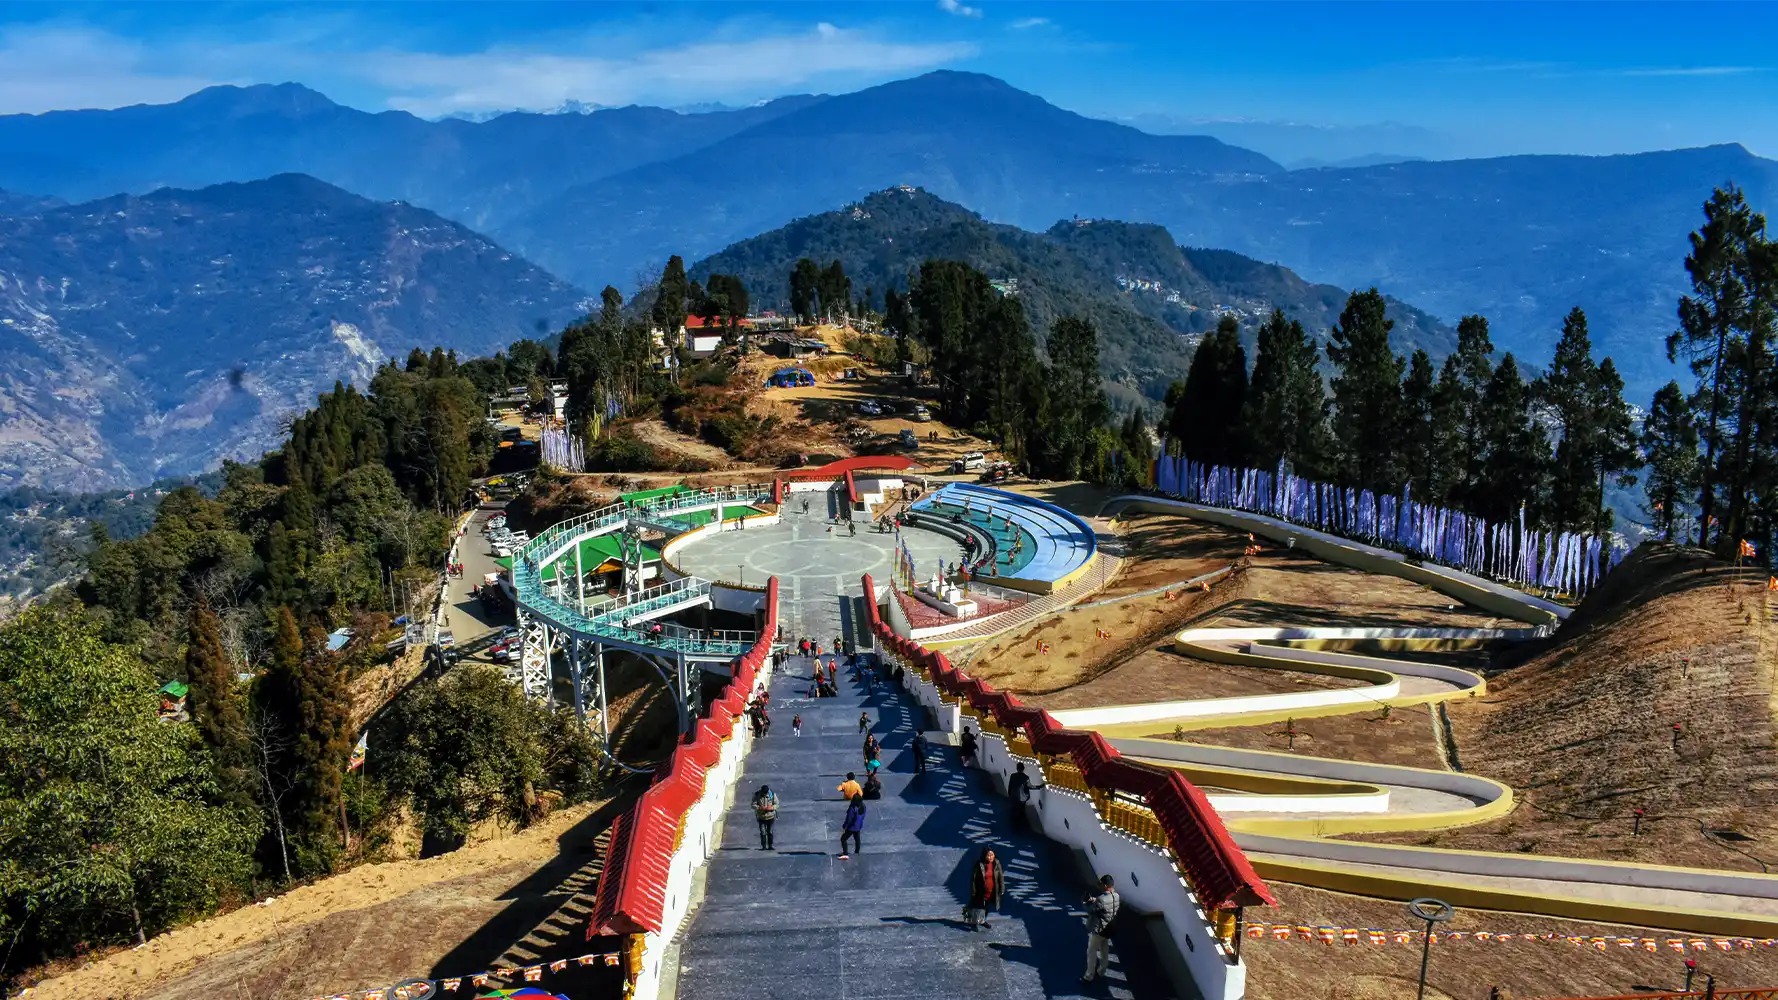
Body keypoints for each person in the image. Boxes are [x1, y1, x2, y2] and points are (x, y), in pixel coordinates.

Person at [1081, 875, 1120, 984]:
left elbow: (1090, 909)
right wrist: (1093, 899)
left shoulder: (1101, 900)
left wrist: (1085, 902)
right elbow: (1103, 902)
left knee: (1091, 952)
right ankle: (1102, 970)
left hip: (1099, 929)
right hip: (1109, 928)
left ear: (1105, 885)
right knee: (1104, 950)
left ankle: (1089, 976)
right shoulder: (1116, 896)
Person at [966, 847, 1004, 931]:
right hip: (980, 891)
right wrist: (973, 890)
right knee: (977, 907)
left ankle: (982, 921)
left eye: (992, 855)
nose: (990, 857)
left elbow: (1000, 877)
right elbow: (973, 878)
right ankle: (973, 922)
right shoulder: (979, 864)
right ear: (984, 855)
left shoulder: (996, 863)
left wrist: (1002, 889)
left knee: (986, 907)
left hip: (991, 891)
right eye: (988, 855)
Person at [839, 793, 867, 859]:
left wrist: (845, 826)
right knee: (857, 839)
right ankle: (857, 852)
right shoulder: (863, 806)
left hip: (852, 827)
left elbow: (849, 819)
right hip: (858, 826)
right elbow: (863, 816)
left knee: (843, 839)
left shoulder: (853, 808)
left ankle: (845, 853)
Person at [1007, 761, 1033, 829]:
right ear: (1023, 769)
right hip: (1022, 797)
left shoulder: (1013, 776)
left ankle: (1013, 825)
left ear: (1017, 768)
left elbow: (1010, 786)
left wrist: (1010, 794)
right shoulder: (1026, 777)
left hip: (1014, 795)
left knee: (1013, 810)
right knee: (1021, 811)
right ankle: (1020, 825)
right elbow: (1027, 788)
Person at [752, 785, 779, 850]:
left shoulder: (772, 794)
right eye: (764, 793)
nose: (764, 794)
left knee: (770, 831)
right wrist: (759, 808)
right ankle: (763, 846)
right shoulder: (757, 795)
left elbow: (777, 804)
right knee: (763, 832)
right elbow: (753, 804)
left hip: (771, 816)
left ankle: (770, 845)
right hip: (761, 817)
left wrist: (771, 807)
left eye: (766, 793)